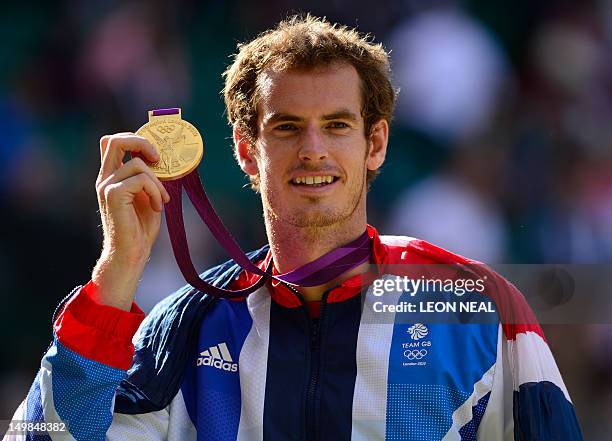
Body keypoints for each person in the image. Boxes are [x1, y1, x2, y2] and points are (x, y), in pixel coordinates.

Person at [7, 15, 582, 441]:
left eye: (336, 125)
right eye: (285, 128)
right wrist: (116, 272)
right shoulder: (187, 327)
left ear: (374, 144)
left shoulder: (477, 308)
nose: (313, 150)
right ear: (245, 152)